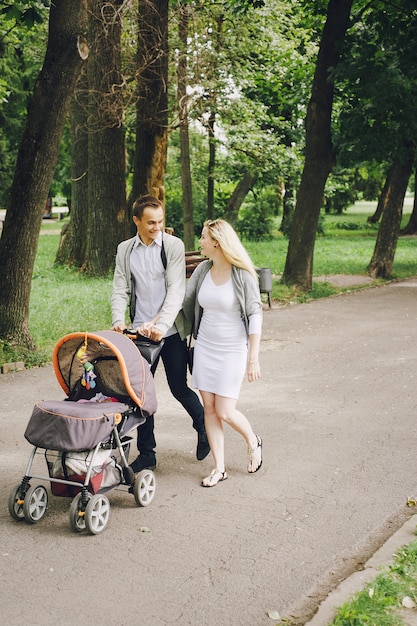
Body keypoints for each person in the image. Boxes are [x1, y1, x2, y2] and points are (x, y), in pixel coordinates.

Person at [111, 194, 210, 472]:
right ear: (136, 221)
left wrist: (160, 326)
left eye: (160, 221)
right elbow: (120, 288)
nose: (156, 227)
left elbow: (176, 289)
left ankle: (203, 428)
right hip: (139, 333)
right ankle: (147, 454)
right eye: (150, 222)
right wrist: (118, 320)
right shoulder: (125, 250)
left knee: (179, 387)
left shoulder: (172, 246)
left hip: (170, 330)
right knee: (141, 394)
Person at [182, 219, 263, 488]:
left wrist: (254, 357)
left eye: (203, 237)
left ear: (217, 241)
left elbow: (255, 314)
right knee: (209, 409)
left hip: (233, 350)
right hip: (205, 347)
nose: (200, 242)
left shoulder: (242, 274)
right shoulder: (203, 270)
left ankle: (252, 440)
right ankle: (219, 468)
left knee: (225, 411)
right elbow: (184, 300)